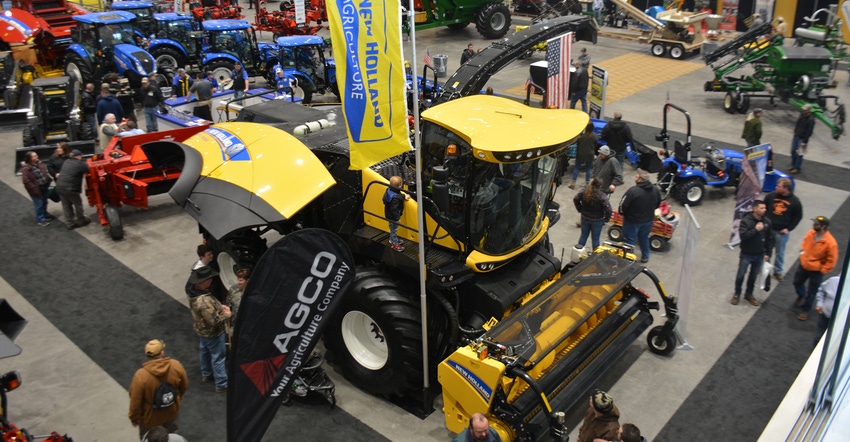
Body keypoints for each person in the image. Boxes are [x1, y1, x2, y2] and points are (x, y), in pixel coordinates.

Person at [128, 339, 188, 439]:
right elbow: (184, 385)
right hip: (171, 413)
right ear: (162, 352)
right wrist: (179, 397)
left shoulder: (141, 376)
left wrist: (134, 418)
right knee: (170, 437)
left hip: (150, 419)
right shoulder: (176, 365)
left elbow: (135, 401)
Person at [185, 266, 231, 392]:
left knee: (204, 352)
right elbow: (213, 321)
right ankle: (222, 384)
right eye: (210, 278)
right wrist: (225, 315)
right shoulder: (204, 301)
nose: (211, 280)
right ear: (204, 281)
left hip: (201, 330)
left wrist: (217, 307)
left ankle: (207, 374)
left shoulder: (193, 292)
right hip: (213, 333)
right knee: (218, 357)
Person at [793, 216, 838, 321]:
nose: (814, 225)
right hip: (804, 265)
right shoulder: (810, 233)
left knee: (812, 292)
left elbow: (832, 261)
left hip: (816, 271)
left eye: (817, 224)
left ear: (823, 226)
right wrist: (802, 255)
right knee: (796, 282)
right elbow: (804, 245)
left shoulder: (830, 243)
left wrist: (822, 269)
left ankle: (805, 310)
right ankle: (801, 295)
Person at [732, 200, 773, 306]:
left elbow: (769, 238)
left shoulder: (767, 222)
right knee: (741, 275)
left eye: (765, 208)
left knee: (753, 276)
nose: (764, 210)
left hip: (759, 255)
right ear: (755, 209)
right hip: (747, 254)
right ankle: (737, 294)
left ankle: (749, 294)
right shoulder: (746, 221)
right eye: (762, 208)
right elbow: (743, 236)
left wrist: (768, 253)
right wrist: (755, 229)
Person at [620, 169, 662, 264]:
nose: (635, 177)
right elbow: (658, 203)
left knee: (630, 240)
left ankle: (627, 260)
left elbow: (623, 205)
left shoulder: (633, 191)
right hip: (647, 220)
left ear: (640, 179)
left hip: (632, 221)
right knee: (644, 237)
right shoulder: (655, 190)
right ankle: (645, 256)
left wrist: (624, 214)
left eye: (637, 176)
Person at [764, 178, 802, 281]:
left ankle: (778, 271)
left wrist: (788, 228)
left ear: (786, 189)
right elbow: (764, 208)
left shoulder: (795, 201)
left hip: (781, 233)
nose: (776, 187)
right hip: (768, 230)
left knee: (779, 253)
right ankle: (764, 269)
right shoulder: (771, 196)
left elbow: (798, 217)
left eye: (779, 186)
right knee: (766, 251)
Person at [56, 149, 92, 229]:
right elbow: (89, 170)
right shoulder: (80, 164)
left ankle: (69, 223)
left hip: (59, 186)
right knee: (78, 204)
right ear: (78, 156)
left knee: (66, 205)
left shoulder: (67, 161)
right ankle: (81, 220)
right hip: (70, 188)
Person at [573, 178, 612, 251]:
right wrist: (606, 219)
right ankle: (595, 256)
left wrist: (580, 209)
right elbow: (608, 209)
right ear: (600, 186)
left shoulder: (584, 192)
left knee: (583, 236)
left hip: (585, 218)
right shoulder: (602, 196)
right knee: (595, 239)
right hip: (597, 220)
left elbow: (576, 198)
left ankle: (578, 253)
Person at [20, 151, 53, 226]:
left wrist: (48, 180)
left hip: (44, 187)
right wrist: (34, 188)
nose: (37, 157)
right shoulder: (26, 169)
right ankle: (41, 219)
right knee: (39, 204)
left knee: (45, 202)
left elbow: (44, 172)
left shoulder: (39, 163)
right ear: (30, 158)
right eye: (35, 156)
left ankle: (45, 214)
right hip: (36, 190)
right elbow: (26, 181)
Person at [384, 175, 410, 252]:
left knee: (392, 229)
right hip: (393, 217)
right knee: (393, 230)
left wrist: (404, 196)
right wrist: (397, 219)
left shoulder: (388, 190)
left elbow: (398, 195)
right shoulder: (395, 198)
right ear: (399, 186)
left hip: (388, 214)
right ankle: (394, 244)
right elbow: (394, 209)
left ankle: (393, 239)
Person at [814, 275, 840, 346]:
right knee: (818, 338)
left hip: (839, 322)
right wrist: (820, 303)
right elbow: (822, 290)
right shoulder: (834, 280)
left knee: (833, 343)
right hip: (825, 316)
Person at [570, 122, 597, 189]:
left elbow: (577, 143)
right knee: (588, 169)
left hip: (580, 153)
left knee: (577, 167)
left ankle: (573, 183)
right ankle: (587, 183)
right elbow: (595, 145)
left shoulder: (581, 136)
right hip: (590, 154)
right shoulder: (594, 136)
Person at [789, 104, 815, 174]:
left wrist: (805, 141)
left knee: (800, 154)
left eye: (805, 110)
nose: (803, 110)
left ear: (809, 110)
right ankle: (793, 164)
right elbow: (798, 123)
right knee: (793, 151)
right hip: (796, 135)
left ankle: (797, 168)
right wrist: (795, 131)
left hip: (802, 139)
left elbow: (809, 132)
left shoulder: (811, 120)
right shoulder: (802, 115)